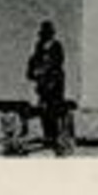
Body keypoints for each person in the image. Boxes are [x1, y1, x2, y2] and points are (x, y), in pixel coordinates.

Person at [26, 20, 69, 155]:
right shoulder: (39, 47)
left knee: (53, 111)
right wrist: (36, 72)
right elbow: (33, 64)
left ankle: (56, 138)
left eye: (47, 33)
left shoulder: (56, 46)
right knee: (44, 111)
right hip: (43, 85)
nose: (45, 36)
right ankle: (48, 137)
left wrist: (45, 71)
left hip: (54, 84)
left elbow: (57, 63)